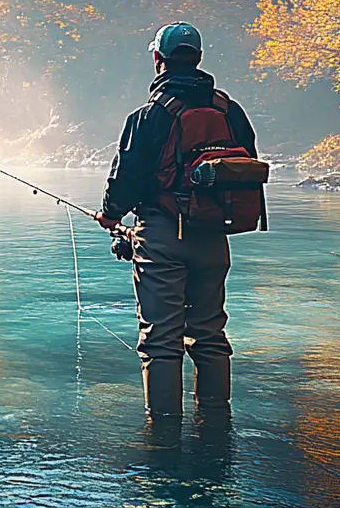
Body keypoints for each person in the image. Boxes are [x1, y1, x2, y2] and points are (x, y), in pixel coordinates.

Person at [96, 22, 258, 419]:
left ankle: (164, 437)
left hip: (162, 237)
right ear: (199, 58)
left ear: (158, 60)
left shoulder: (149, 116)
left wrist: (110, 215)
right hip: (214, 236)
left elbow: (126, 179)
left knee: (161, 341)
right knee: (210, 335)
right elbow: (246, 163)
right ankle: (216, 422)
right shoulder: (229, 111)